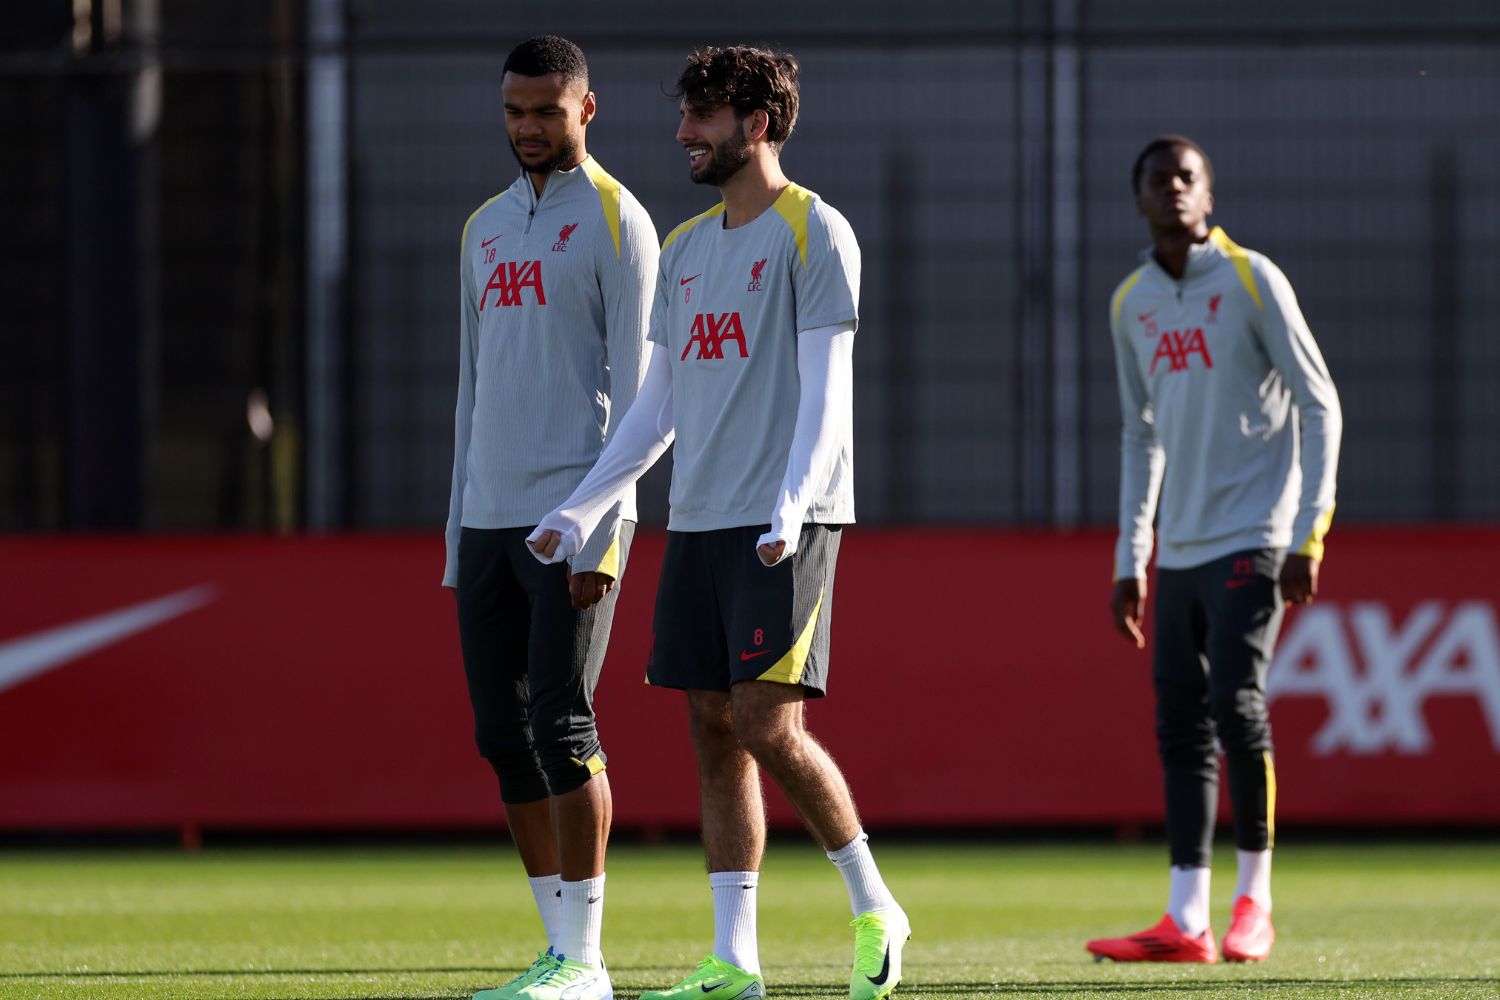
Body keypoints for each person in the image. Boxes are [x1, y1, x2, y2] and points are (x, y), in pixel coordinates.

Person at [527, 44, 910, 1000]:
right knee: (711, 725)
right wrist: (580, 508)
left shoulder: (816, 231)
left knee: (764, 722)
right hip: (699, 522)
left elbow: (828, 399)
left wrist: (789, 504)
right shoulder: (691, 246)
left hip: (791, 514)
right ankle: (734, 963)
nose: (684, 131)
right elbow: (655, 410)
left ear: (760, 124)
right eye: (687, 112)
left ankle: (876, 906)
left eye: (704, 115)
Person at [1087, 135, 1342, 964]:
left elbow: (1319, 405)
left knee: (1236, 704)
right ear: (1139, 200)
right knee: (1178, 725)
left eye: (1187, 178)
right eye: (1158, 180)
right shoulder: (1132, 303)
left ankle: (1253, 904)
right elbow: (1138, 437)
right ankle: (1184, 919)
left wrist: (1309, 531)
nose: (1173, 191)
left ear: (1208, 192)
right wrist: (1133, 559)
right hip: (1182, 549)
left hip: (1257, 536)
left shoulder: (1251, 279)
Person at [442, 34, 657, 1000]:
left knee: (565, 725)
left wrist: (606, 528)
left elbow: (648, 396)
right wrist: (457, 536)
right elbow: (471, 391)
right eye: (514, 113)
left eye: (546, 111)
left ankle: (589, 962)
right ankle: (557, 951)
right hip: (488, 522)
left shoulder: (622, 221)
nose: (529, 128)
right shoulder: (483, 227)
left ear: (586, 110)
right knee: (501, 735)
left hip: (571, 518)